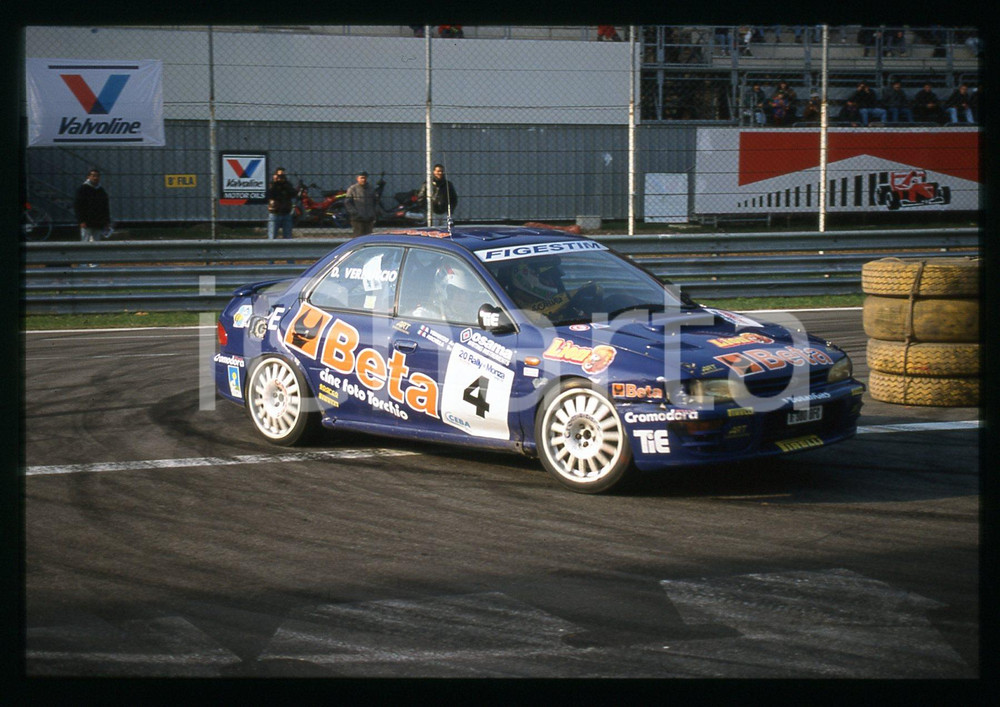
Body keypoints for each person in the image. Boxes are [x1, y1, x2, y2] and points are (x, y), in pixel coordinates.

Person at [74, 168, 110, 242]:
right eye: (93, 176)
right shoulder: (82, 189)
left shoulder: (101, 191)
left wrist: (106, 221)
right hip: (87, 222)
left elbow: (105, 207)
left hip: (98, 222)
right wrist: (81, 220)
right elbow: (78, 206)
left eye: (97, 176)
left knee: (97, 241)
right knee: (85, 241)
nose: (95, 178)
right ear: (88, 177)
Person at [265, 166, 297, 239]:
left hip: (286, 213)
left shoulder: (287, 185)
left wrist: (285, 184)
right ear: (275, 175)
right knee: (272, 237)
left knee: (288, 237)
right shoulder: (272, 185)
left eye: (283, 175)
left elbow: (293, 194)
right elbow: (271, 195)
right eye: (279, 175)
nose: (281, 177)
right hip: (275, 213)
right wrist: (275, 182)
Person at [345, 170, 377, 236]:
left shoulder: (371, 188)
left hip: (369, 218)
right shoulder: (352, 189)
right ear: (357, 178)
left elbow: (375, 202)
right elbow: (348, 203)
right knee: (358, 237)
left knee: (368, 237)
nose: (363, 180)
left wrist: (373, 213)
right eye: (361, 178)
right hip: (357, 219)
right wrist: (355, 213)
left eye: (365, 178)